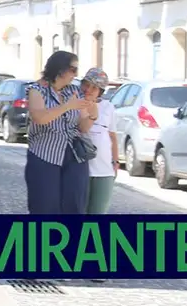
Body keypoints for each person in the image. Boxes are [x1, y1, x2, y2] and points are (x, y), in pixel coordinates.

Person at [25, 50, 94, 214]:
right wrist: (67, 106)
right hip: (44, 155)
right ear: (60, 68)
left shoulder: (73, 91)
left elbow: (83, 127)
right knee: (45, 206)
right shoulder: (37, 90)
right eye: (73, 69)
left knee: (75, 205)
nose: (76, 74)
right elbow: (40, 118)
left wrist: (92, 115)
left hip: (74, 155)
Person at [80, 68, 119, 215]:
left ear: (101, 91)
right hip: (81, 170)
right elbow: (81, 129)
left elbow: (113, 137)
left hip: (104, 171)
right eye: (87, 85)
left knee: (98, 213)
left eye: (94, 88)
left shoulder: (108, 107)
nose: (89, 90)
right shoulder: (75, 104)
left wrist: (115, 162)